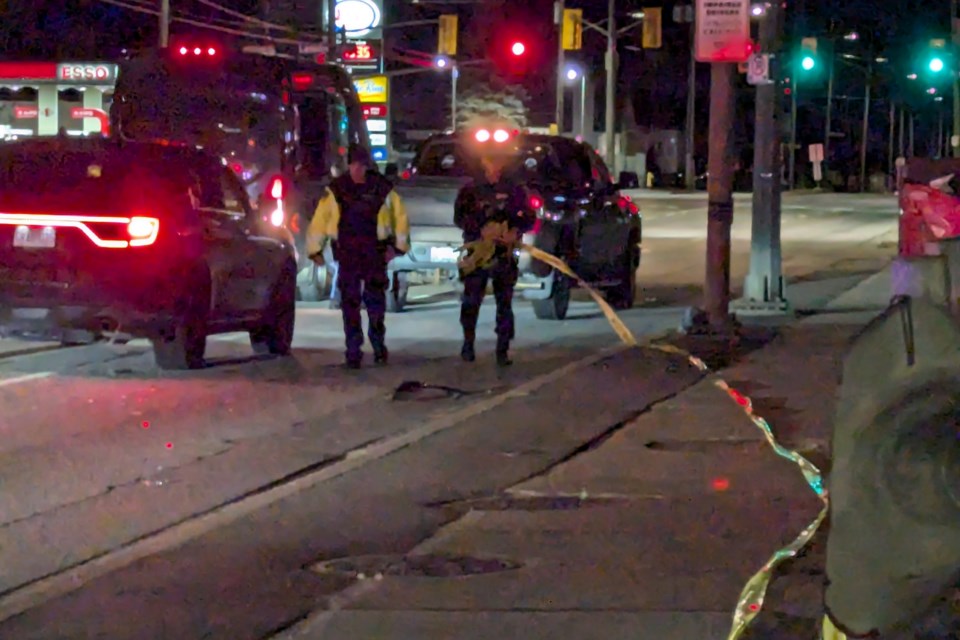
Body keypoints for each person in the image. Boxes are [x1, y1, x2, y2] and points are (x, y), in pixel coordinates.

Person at [305, 145, 410, 369]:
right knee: (350, 304)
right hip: (348, 253)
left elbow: (399, 218)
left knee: (375, 304)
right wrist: (315, 250)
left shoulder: (382, 188)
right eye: (354, 165)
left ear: (367, 166)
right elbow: (320, 221)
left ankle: (378, 345)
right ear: (349, 165)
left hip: (375, 252)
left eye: (361, 166)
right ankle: (353, 350)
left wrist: (398, 248)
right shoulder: (337, 189)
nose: (357, 170)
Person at [454, 154, 536, 366]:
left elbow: (529, 217)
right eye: (491, 162)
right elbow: (459, 218)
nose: (495, 167)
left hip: (504, 254)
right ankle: (468, 343)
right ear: (484, 162)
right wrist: (481, 229)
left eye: (498, 162)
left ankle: (503, 348)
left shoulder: (514, 190)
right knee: (471, 300)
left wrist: (514, 229)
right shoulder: (471, 190)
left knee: (504, 302)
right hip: (478, 252)